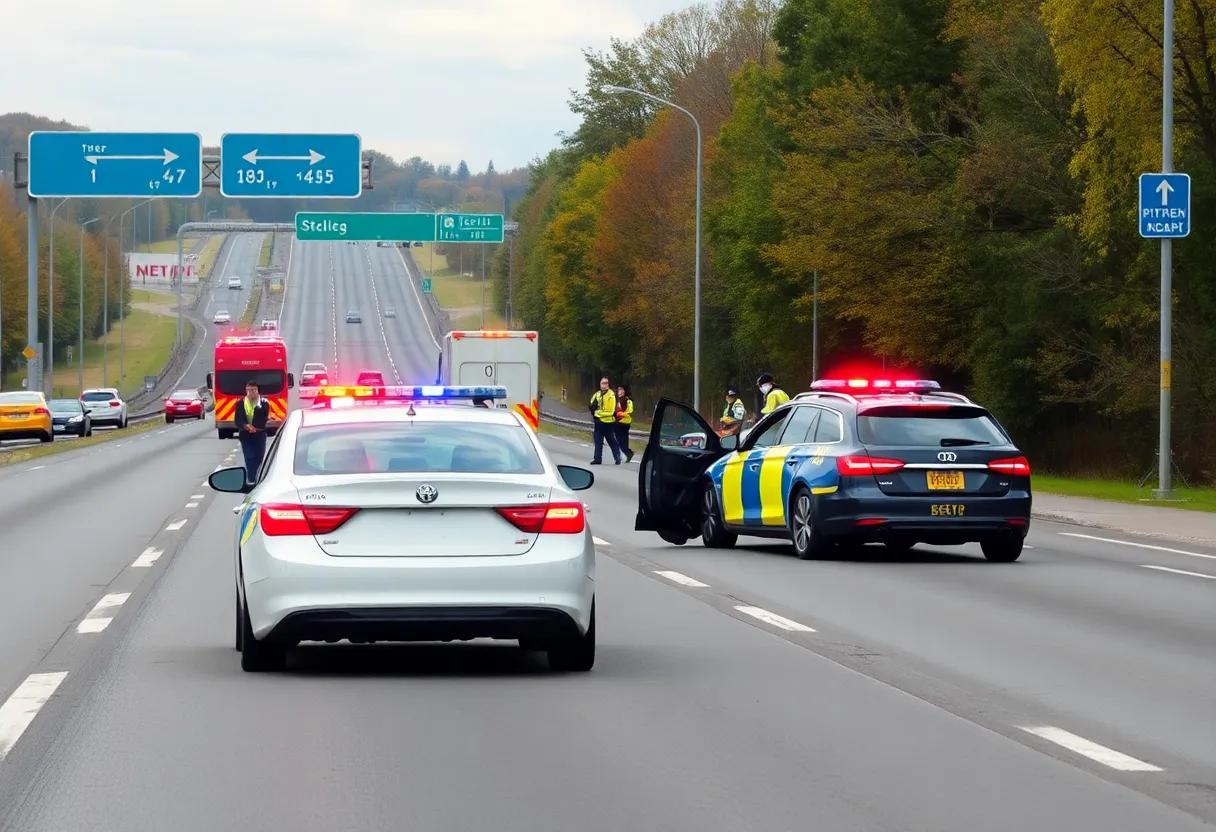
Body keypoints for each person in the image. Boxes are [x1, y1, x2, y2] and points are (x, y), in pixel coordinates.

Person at [233, 380, 271, 484]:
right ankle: (251, 481)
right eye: (249, 390)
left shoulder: (264, 403)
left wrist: (255, 425)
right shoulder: (240, 403)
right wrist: (246, 426)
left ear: (258, 391)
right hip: (246, 435)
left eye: (254, 390)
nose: (251, 392)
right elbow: (238, 420)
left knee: (259, 458)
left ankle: (259, 480)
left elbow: (263, 417)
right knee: (249, 458)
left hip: (260, 434)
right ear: (246, 391)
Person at [589, 376, 622, 465]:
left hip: (608, 422)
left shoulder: (611, 395)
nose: (604, 385)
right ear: (600, 384)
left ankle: (617, 458)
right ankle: (597, 458)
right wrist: (594, 410)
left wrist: (597, 413)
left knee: (611, 439)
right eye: (602, 383)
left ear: (608, 385)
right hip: (599, 422)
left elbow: (610, 412)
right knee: (598, 440)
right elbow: (591, 404)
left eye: (606, 383)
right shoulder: (597, 394)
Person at [614, 384, 634, 463]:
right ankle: (626, 453)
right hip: (616, 422)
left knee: (623, 440)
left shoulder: (628, 400)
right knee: (617, 439)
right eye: (619, 390)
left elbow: (630, 410)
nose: (620, 392)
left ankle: (627, 453)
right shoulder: (615, 400)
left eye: (622, 390)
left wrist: (622, 414)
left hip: (625, 423)